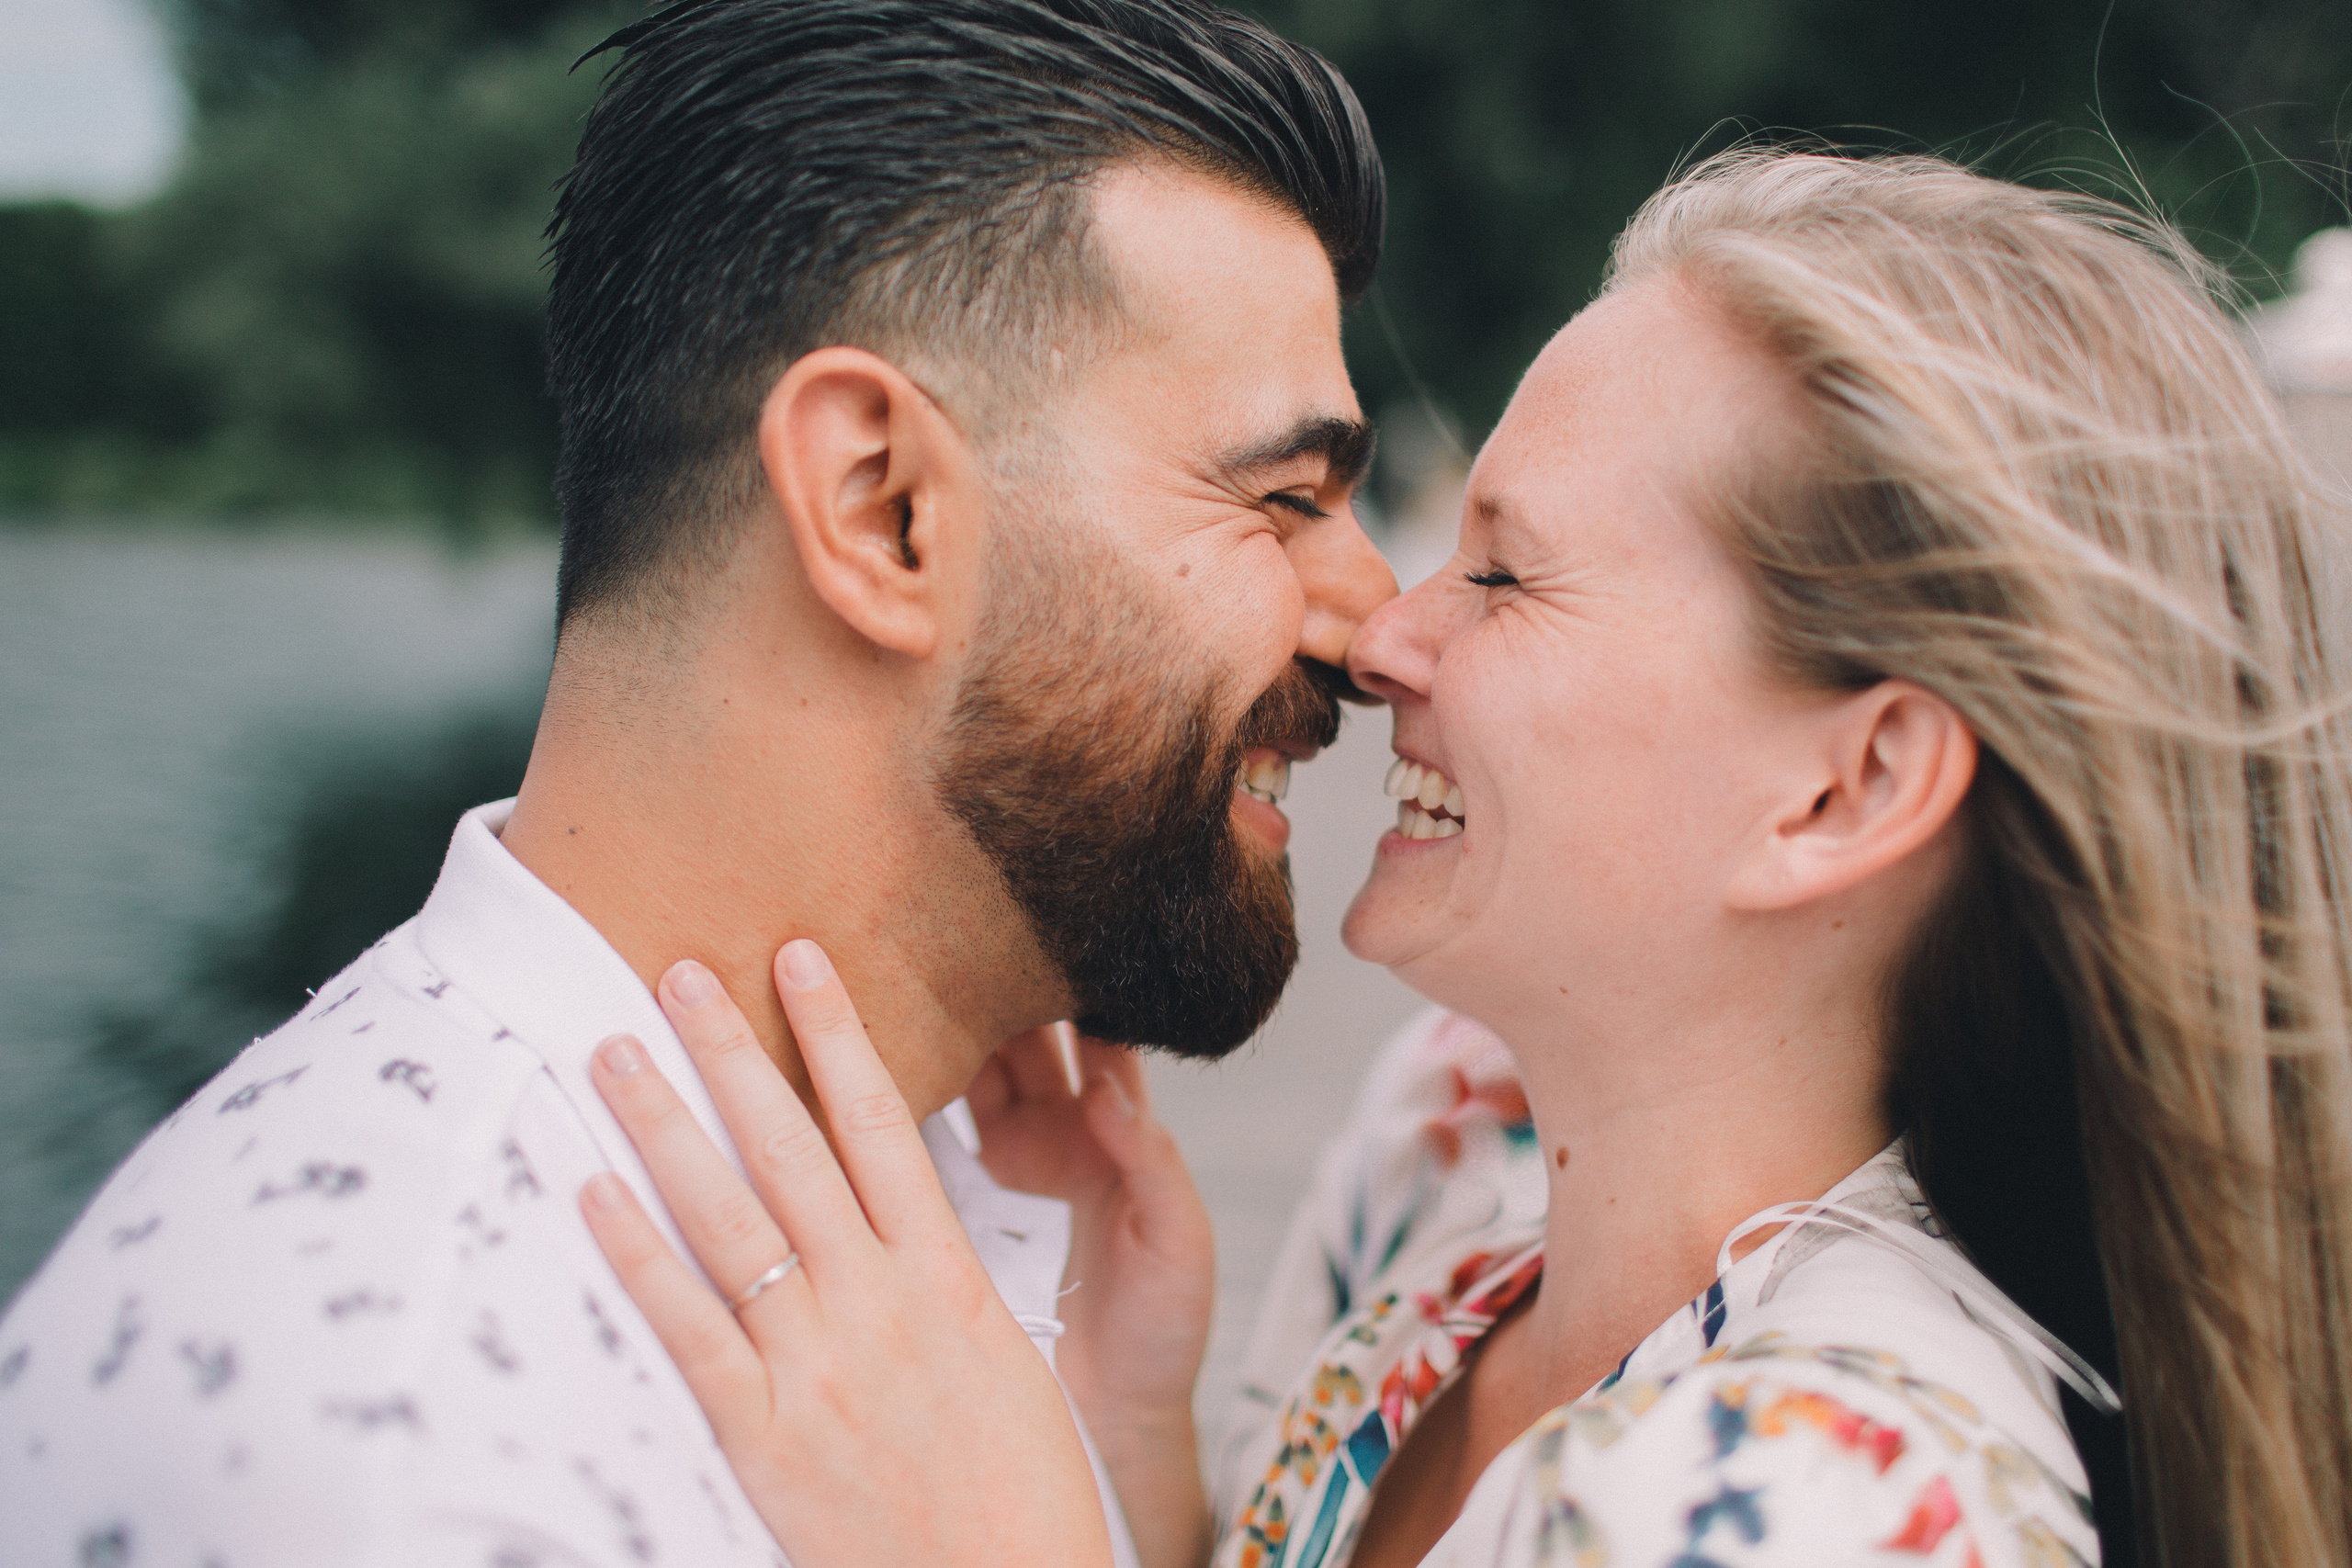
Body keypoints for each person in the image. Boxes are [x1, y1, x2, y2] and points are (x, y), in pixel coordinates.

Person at [578, 149, 2352, 1568]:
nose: (1378, 637)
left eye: (1503, 572)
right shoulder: (1450, 1159)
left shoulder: (1821, 1499)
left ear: (1847, 787)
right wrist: (1135, 1445)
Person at [0, 2, 1397, 1562]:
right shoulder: (390, 1469)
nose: (1381, 620)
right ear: (883, 513)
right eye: (1285, 500)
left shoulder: (929, 1188)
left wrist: (1123, 1472)